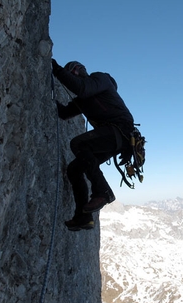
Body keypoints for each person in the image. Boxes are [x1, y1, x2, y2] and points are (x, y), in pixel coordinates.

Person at [51, 59, 135, 231]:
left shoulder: (100, 79)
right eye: (72, 71)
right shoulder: (84, 98)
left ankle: (102, 192)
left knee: (78, 143)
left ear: (83, 70)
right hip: (116, 138)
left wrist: (57, 70)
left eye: (74, 70)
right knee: (74, 169)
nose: (74, 73)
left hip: (119, 130)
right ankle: (83, 217)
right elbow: (65, 113)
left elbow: (82, 88)